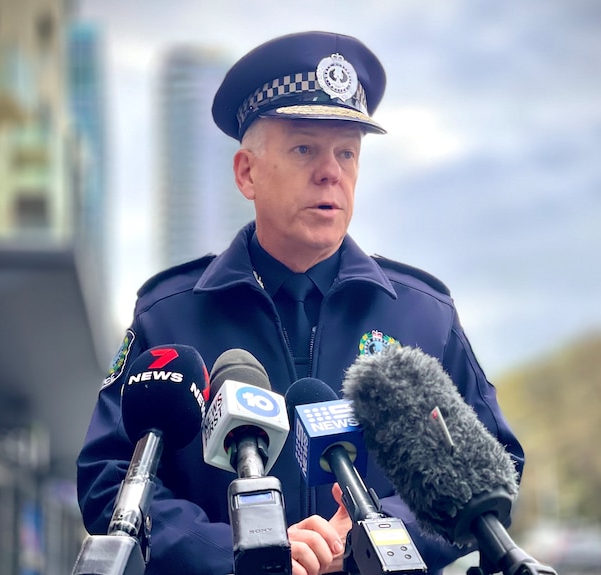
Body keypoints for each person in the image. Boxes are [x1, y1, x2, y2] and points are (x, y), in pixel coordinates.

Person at [76, 30, 525, 575]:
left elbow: (492, 471)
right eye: (304, 148)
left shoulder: (423, 315)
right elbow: (109, 477)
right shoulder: (168, 315)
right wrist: (239, 552)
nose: (330, 171)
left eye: (347, 153)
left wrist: (375, 534)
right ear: (247, 172)